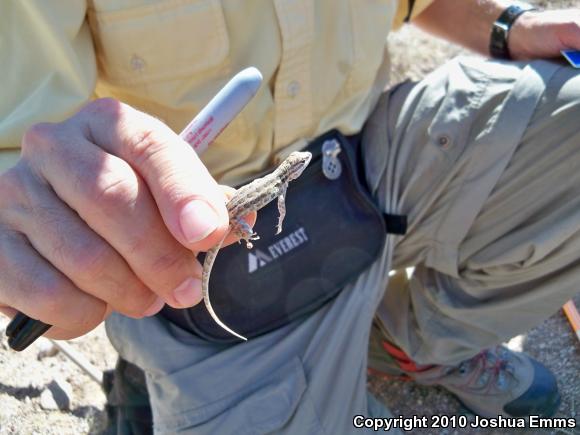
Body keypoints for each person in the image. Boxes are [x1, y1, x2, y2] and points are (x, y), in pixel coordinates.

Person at [1, 0, 579, 433]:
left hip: (362, 162)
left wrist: (507, 25)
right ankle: (166, 363)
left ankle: (401, 344)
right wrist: (34, 214)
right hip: (202, 258)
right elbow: (22, 144)